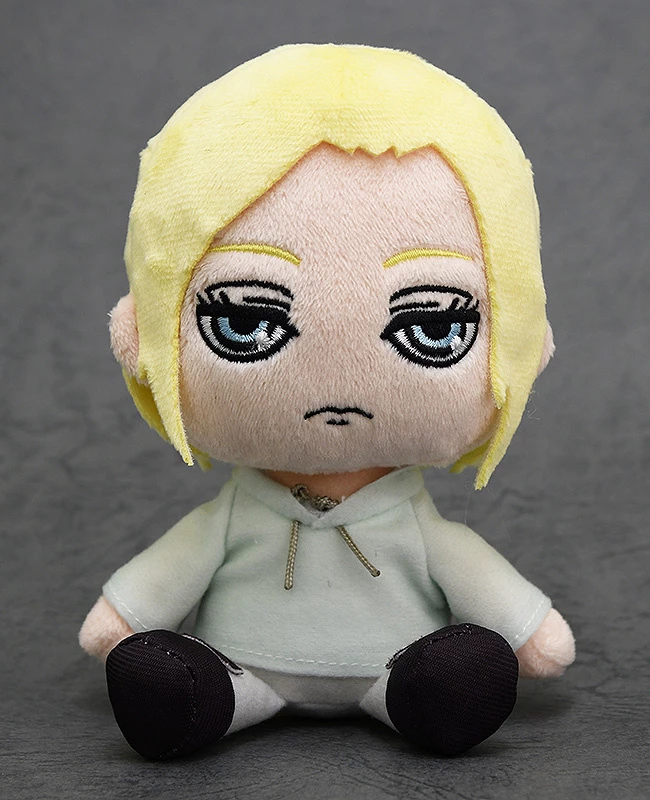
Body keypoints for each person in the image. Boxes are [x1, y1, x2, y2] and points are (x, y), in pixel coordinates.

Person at [79, 43, 575, 760]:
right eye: (244, 321)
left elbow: (485, 586)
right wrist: (125, 620)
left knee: (451, 676)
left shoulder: (413, 524)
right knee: (181, 683)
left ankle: (425, 693)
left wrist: (527, 631)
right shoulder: (234, 518)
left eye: (434, 328)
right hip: (244, 665)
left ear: (522, 346)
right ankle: (207, 694)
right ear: (142, 339)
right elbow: (161, 579)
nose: (339, 391)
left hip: (392, 664)